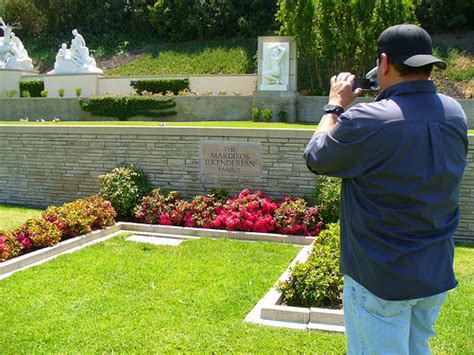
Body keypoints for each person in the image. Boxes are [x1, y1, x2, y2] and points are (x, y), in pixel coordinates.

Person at [304, 23, 468, 354]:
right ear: (428, 65)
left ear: (384, 63)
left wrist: (335, 104)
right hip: (433, 270)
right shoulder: (454, 112)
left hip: (381, 277)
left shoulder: (369, 119)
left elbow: (316, 156)